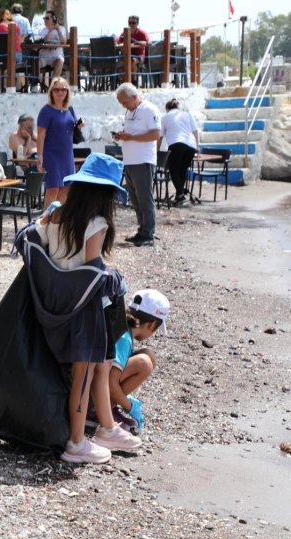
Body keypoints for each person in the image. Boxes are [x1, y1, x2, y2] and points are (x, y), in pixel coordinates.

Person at [32, 154, 142, 463]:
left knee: (98, 366)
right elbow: (92, 270)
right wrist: (114, 277)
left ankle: (105, 428)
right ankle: (76, 444)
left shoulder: (53, 214)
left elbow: (42, 248)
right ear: (105, 195)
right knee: (83, 376)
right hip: (83, 311)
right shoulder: (97, 223)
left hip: (54, 304)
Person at [109, 289, 170, 432]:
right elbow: (110, 383)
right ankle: (103, 410)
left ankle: (110, 404)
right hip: (93, 395)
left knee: (148, 355)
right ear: (151, 325)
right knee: (144, 364)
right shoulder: (124, 339)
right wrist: (130, 407)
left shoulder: (121, 325)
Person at [113, 82, 160, 247]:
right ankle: (142, 230)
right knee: (135, 200)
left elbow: (155, 134)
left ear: (134, 97)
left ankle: (148, 234)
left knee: (145, 199)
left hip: (143, 161)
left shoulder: (149, 110)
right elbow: (133, 133)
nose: (123, 105)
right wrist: (122, 136)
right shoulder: (129, 112)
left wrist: (130, 138)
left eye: (124, 102)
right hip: (130, 161)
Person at [37, 77, 83, 207]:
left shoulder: (70, 109)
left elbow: (73, 125)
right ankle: (45, 222)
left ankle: (57, 221)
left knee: (65, 188)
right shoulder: (46, 111)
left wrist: (80, 124)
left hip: (67, 155)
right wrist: (40, 156)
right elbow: (41, 136)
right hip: (52, 154)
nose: (60, 92)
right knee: (53, 188)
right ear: (51, 92)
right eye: (56, 89)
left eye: (64, 89)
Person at [158, 98, 199, 207]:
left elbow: (160, 136)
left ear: (167, 109)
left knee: (173, 170)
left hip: (176, 144)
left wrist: (156, 150)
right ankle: (179, 195)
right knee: (182, 170)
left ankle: (181, 195)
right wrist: (197, 146)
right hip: (191, 145)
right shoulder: (187, 114)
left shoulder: (165, 117)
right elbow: (195, 131)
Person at [0, 9, 21, 95]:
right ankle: (11, 84)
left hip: (2, 56)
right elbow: (19, 41)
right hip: (17, 55)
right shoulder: (16, 26)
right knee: (8, 64)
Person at [37, 10, 66, 82]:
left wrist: (57, 29)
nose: (45, 20)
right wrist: (50, 30)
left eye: (47, 18)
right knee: (34, 63)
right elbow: (42, 41)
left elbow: (63, 42)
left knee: (60, 61)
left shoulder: (61, 28)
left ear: (53, 19)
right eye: (44, 18)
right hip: (43, 57)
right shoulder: (42, 30)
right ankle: (37, 85)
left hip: (55, 57)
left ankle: (54, 84)